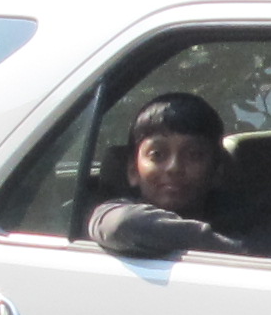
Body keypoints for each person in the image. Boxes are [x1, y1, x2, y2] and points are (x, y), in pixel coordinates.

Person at [86, 92, 238, 257]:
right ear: (133, 171)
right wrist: (232, 250)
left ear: (217, 170)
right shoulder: (111, 213)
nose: (174, 168)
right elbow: (121, 225)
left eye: (193, 155)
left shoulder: (242, 222)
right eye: (157, 155)